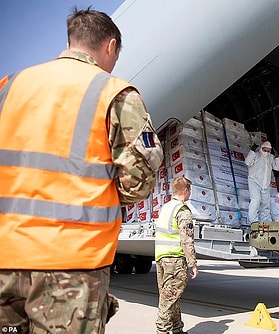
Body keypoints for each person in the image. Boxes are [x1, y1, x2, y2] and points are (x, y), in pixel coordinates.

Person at [0, 7, 163, 333]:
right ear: (110, 46)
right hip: (72, 260)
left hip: (5, 257)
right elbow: (141, 176)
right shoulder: (114, 92)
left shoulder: (9, 86)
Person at [155, 176, 198, 334]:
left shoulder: (166, 207)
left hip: (161, 258)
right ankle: (162, 331)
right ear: (186, 191)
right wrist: (192, 263)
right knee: (168, 300)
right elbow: (186, 240)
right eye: (190, 190)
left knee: (172, 297)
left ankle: (177, 329)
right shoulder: (182, 210)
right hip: (174, 260)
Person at [245, 141, 279, 224]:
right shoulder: (256, 155)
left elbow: (277, 167)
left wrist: (278, 157)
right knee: (256, 200)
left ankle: (263, 222)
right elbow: (247, 162)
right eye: (265, 150)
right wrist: (252, 151)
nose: (266, 152)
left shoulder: (271, 157)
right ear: (261, 148)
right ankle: (253, 221)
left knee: (265, 204)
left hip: (265, 184)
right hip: (254, 181)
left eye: (268, 151)